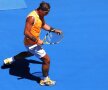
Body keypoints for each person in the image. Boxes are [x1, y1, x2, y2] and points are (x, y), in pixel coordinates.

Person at [3, 1, 62, 86]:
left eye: (48, 12)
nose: (47, 14)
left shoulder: (40, 15)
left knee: (29, 54)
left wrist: (53, 30)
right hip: (32, 43)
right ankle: (45, 79)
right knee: (47, 60)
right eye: (46, 12)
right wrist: (37, 40)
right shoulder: (31, 17)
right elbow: (26, 32)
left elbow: (43, 24)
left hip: (30, 43)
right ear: (40, 10)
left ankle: (11, 60)